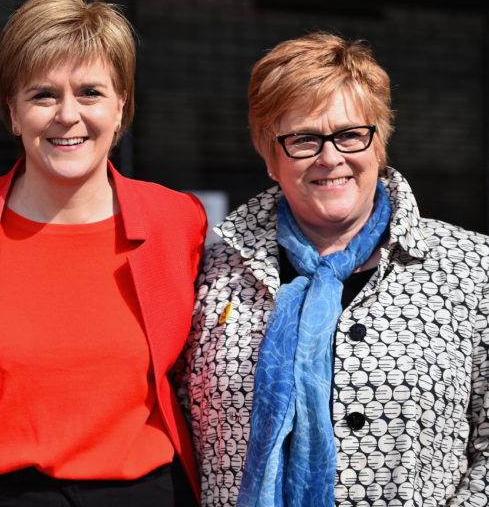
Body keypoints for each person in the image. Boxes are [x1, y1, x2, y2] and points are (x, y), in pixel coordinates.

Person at [0, 0, 207, 507]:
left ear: (122, 107)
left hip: (148, 495)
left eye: (91, 92)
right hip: (3, 496)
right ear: (12, 112)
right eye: (43, 95)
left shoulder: (177, 222)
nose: (67, 115)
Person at [182, 32, 489, 507]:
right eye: (304, 139)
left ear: (379, 141)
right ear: (269, 155)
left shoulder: (471, 267)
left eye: (349, 135)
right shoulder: (213, 271)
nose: (331, 158)